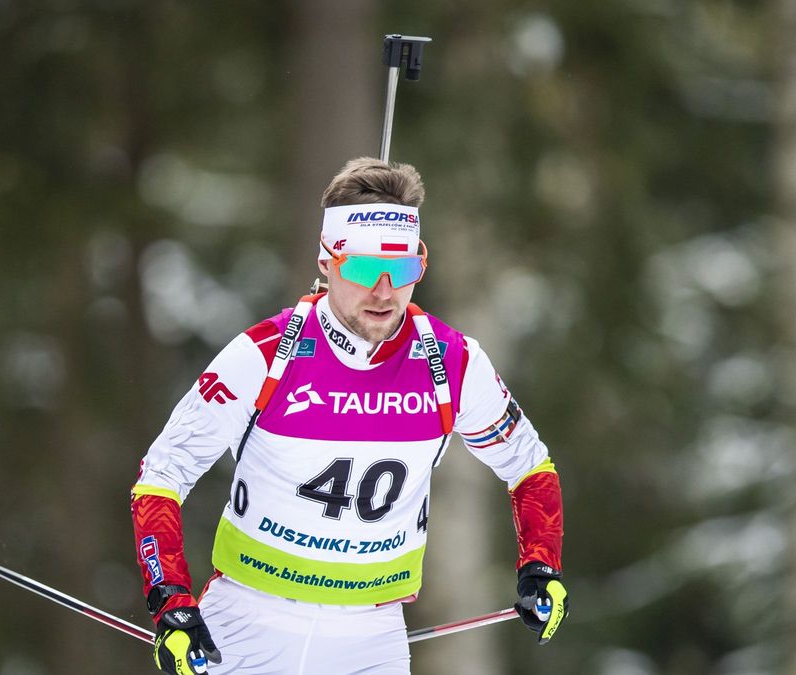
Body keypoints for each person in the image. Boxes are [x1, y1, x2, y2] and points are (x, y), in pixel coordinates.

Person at [131, 157, 567, 674]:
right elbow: (162, 476)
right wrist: (170, 599)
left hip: (370, 637)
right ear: (327, 261)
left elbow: (529, 466)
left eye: (402, 269)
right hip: (246, 627)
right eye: (363, 268)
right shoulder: (266, 355)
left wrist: (541, 562)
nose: (384, 292)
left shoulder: (452, 363)